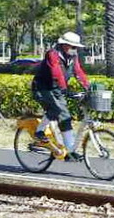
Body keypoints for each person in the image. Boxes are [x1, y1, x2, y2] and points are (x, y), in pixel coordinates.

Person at [30, 31, 91, 159]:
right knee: (56, 109)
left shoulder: (72, 57)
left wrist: (88, 87)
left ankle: (69, 151)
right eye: (73, 47)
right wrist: (65, 90)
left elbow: (78, 72)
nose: (75, 50)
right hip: (42, 88)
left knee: (65, 118)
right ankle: (39, 132)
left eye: (76, 47)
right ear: (64, 45)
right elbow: (56, 73)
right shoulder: (52, 54)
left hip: (57, 90)